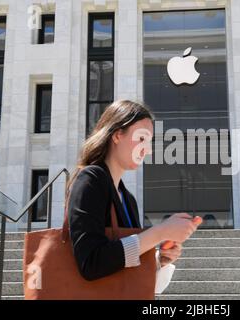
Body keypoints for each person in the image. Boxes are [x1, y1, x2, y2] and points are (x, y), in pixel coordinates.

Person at [66, 99, 198, 281]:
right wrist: (160, 232)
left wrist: (159, 260)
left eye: (149, 142)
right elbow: (91, 263)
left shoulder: (128, 199)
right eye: (142, 138)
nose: (147, 150)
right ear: (117, 135)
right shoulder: (91, 180)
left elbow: (122, 265)